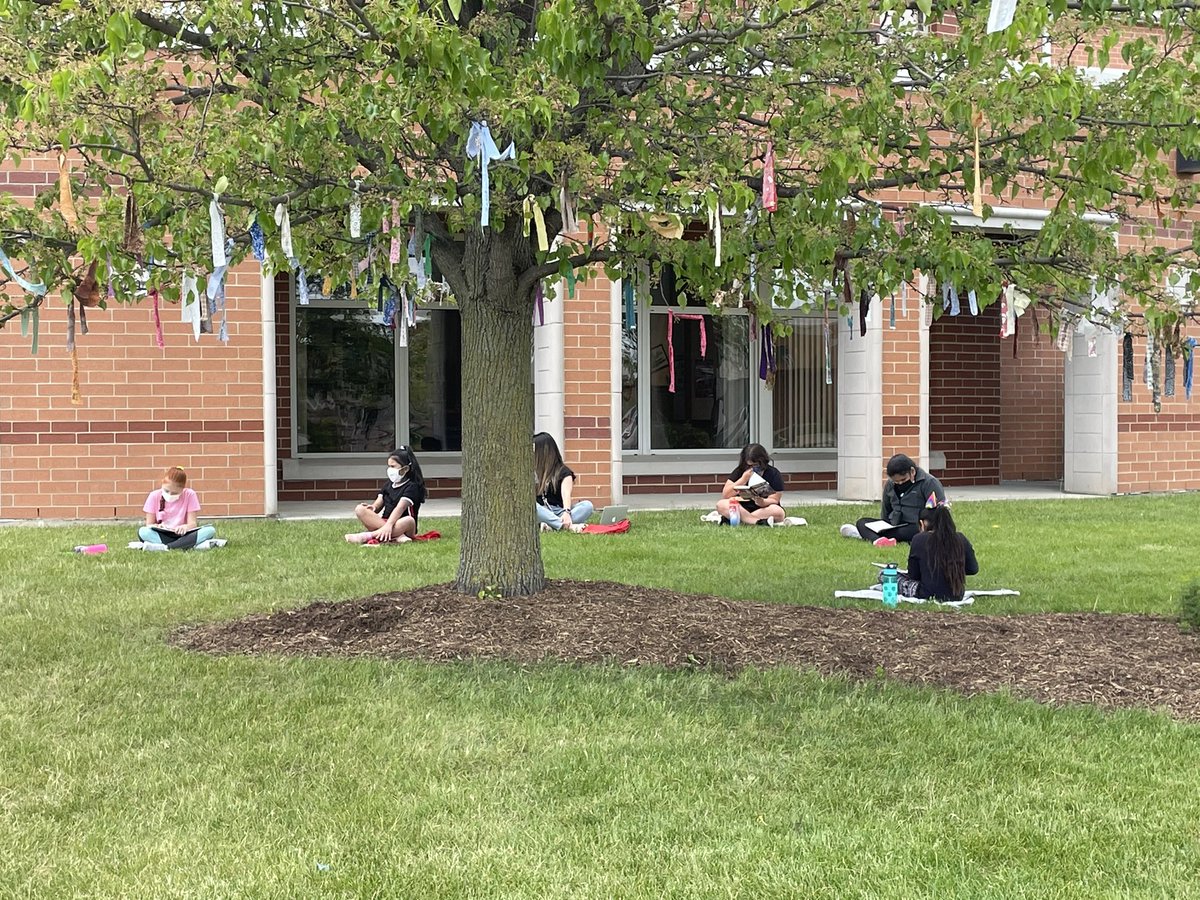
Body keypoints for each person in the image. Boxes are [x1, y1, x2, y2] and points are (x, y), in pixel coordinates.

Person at [840, 453, 945, 546]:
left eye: (903, 480)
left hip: (916, 526)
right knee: (862, 522)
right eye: (896, 482)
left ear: (912, 472)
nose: (900, 484)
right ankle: (878, 540)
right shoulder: (890, 485)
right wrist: (883, 524)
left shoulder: (929, 483)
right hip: (893, 525)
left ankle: (866, 535)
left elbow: (940, 512)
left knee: (913, 531)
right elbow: (886, 509)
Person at [881, 504, 979, 603]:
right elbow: (973, 569)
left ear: (922, 523)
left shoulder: (919, 539)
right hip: (956, 594)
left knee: (884, 574)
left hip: (926, 593)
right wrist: (953, 567)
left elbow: (914, 575)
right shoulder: (961, 539)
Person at [345, 446, 427, 543]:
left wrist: (389, 525)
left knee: (408, 520)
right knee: (360, 509)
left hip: (402, 524)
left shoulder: (412, 486)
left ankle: (367, 536)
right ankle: (397, 536)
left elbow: (399, 508)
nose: (389, 469)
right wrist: (373, 508)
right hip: (384, 521)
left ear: (405, 469)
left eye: (393, 466)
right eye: (389, 466)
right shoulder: (388, 484)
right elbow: (379, 502)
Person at [134, 466, 221, 551]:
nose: (170, 495)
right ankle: (186, 545)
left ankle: (166, 547)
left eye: (175, 493)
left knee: (210, 530)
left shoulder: (190, 494)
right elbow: (149, 525)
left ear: (183, 489)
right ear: (162, 484)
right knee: (143, 532)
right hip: (163, 534)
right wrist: (157, 526)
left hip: (184, 534)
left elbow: (192, 524)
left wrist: (185, 527)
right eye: (167, 491)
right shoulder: (154, 495)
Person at [534, 432, 594, 532]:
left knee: (587, 505)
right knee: (533, 506)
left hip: (559, 511)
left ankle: (552, 526)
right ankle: (565, 526)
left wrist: (566, 513)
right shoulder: (531, 471)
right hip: (542, 512)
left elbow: (566, 494)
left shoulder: (563, 472)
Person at [715, 443, 786, 525]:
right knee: (721, 504)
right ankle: (757, 522)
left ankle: (738, 520)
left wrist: (763, 502)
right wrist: (743, 479)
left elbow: (774, 499)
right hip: (742, 506)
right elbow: (726, 495)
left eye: (755, 465)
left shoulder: (773, 473)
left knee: (779, 512)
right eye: (749, 465)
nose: (752, 468)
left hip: (763, 508)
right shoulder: (740, 471)